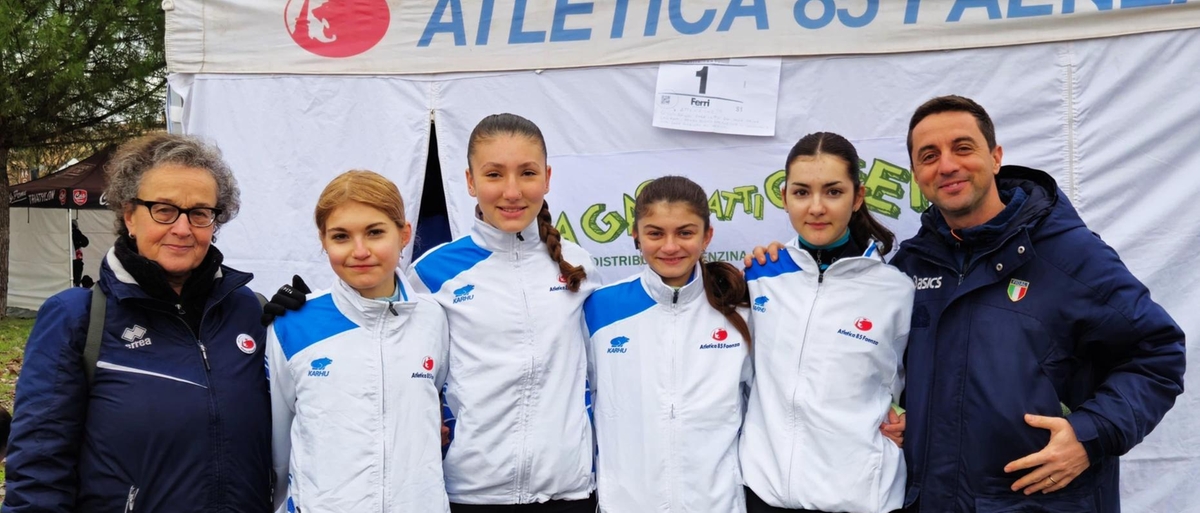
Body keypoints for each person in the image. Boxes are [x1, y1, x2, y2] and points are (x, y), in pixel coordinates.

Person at [892, 95, 1185, 512]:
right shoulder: (909, 266)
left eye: (963, 148)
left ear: (995, 157)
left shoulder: (1070, 254)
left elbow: (1158, 354)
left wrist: (1091, 433)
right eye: (929, 155)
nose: (947, 165)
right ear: (917, 174)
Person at [3, 133, 272, 512]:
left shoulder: (249, 311)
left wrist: (303, 321)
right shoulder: (77, 318)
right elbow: (38, 469)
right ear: (129, 215)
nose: (182, 228)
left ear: (215, 221)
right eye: (163, 209)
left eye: (199, 213)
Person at [408, 113, 599, 511]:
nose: (512, 191)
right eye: (494, 175)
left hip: (567, 491)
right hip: (470, 494)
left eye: (527, 173)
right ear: (470, 181)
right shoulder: (430, 273)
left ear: (546, 178)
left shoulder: (580, 266)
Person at [741, 132, 913, 513]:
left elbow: (924, 377)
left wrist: (907, 417)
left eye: (833, 192)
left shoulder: (896, 289)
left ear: (858, 197)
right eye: (802, 192)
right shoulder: (760, 276)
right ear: (784, 197)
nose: (816, 207)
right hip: (764, 494)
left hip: (861, 497)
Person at [265, 170, 450, 513]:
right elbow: (279, 440)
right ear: (323, 241)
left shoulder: (433, 318)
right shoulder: (293, 324)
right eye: (341, 236)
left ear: (404, 233)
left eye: (375, 232)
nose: (360, 251)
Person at [583, 176, 753, 512]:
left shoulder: (740, 312)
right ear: (636, 235)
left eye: (685, 232)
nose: (670, 246)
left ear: (707, 236)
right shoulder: (599, 308)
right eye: (655, 233)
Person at [71, 219, 89, 287]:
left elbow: (85, 242)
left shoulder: (72, 232)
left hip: (74, 258)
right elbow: (85, 242)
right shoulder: (76, 232)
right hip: (76, 259)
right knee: (76, 280)